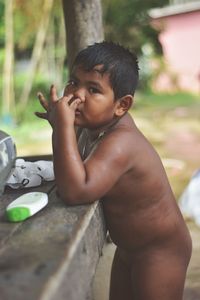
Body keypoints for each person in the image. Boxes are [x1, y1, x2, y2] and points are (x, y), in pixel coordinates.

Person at [35, 41, 192, 300]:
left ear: (121, 106)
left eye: (93, 89)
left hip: (159, 250)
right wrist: (60, 128)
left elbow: (75, 190)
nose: (77, 95)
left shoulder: (121, 142)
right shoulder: (91, 127)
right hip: (129, 247)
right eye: (73, 82)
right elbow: (72, 166)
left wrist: (62, 129)